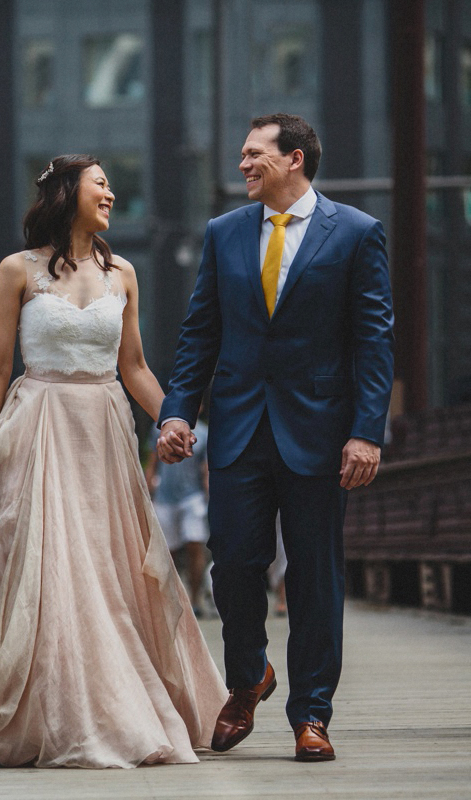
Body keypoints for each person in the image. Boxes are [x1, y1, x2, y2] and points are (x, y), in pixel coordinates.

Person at [0, 155, 227, 769]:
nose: (109, 193)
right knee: (51, 571)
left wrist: (172, 418)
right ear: (67, 191)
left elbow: (133, 367)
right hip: (38, 427)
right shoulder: (14, 271)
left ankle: (119, 703)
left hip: (103, 432)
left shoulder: (123, 273)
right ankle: (50, 713)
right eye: (100, 183)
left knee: (111, 568)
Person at [157, 113, 394, 762]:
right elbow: (198, 333)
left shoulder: (356, 234)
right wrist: (176, 412)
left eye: (254, 153)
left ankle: (312, 713)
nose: (243, 165)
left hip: (320, 434)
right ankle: (248, 677)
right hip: (237, 431)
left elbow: (374, 342)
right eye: (242, 154)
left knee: (315, 575)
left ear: (294, 159)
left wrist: (366, 433)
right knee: (234, 564)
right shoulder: (224, 234)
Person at [145, 416, 210, 616]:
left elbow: (206, 469)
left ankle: (195, 598)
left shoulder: (204, 433)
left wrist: (211, 498)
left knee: (194, 545)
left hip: (192, 497)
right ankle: (169, 600)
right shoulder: (159, 428)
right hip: (165, 497)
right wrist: (147, 493)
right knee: (167, 552)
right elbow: (152, 463)